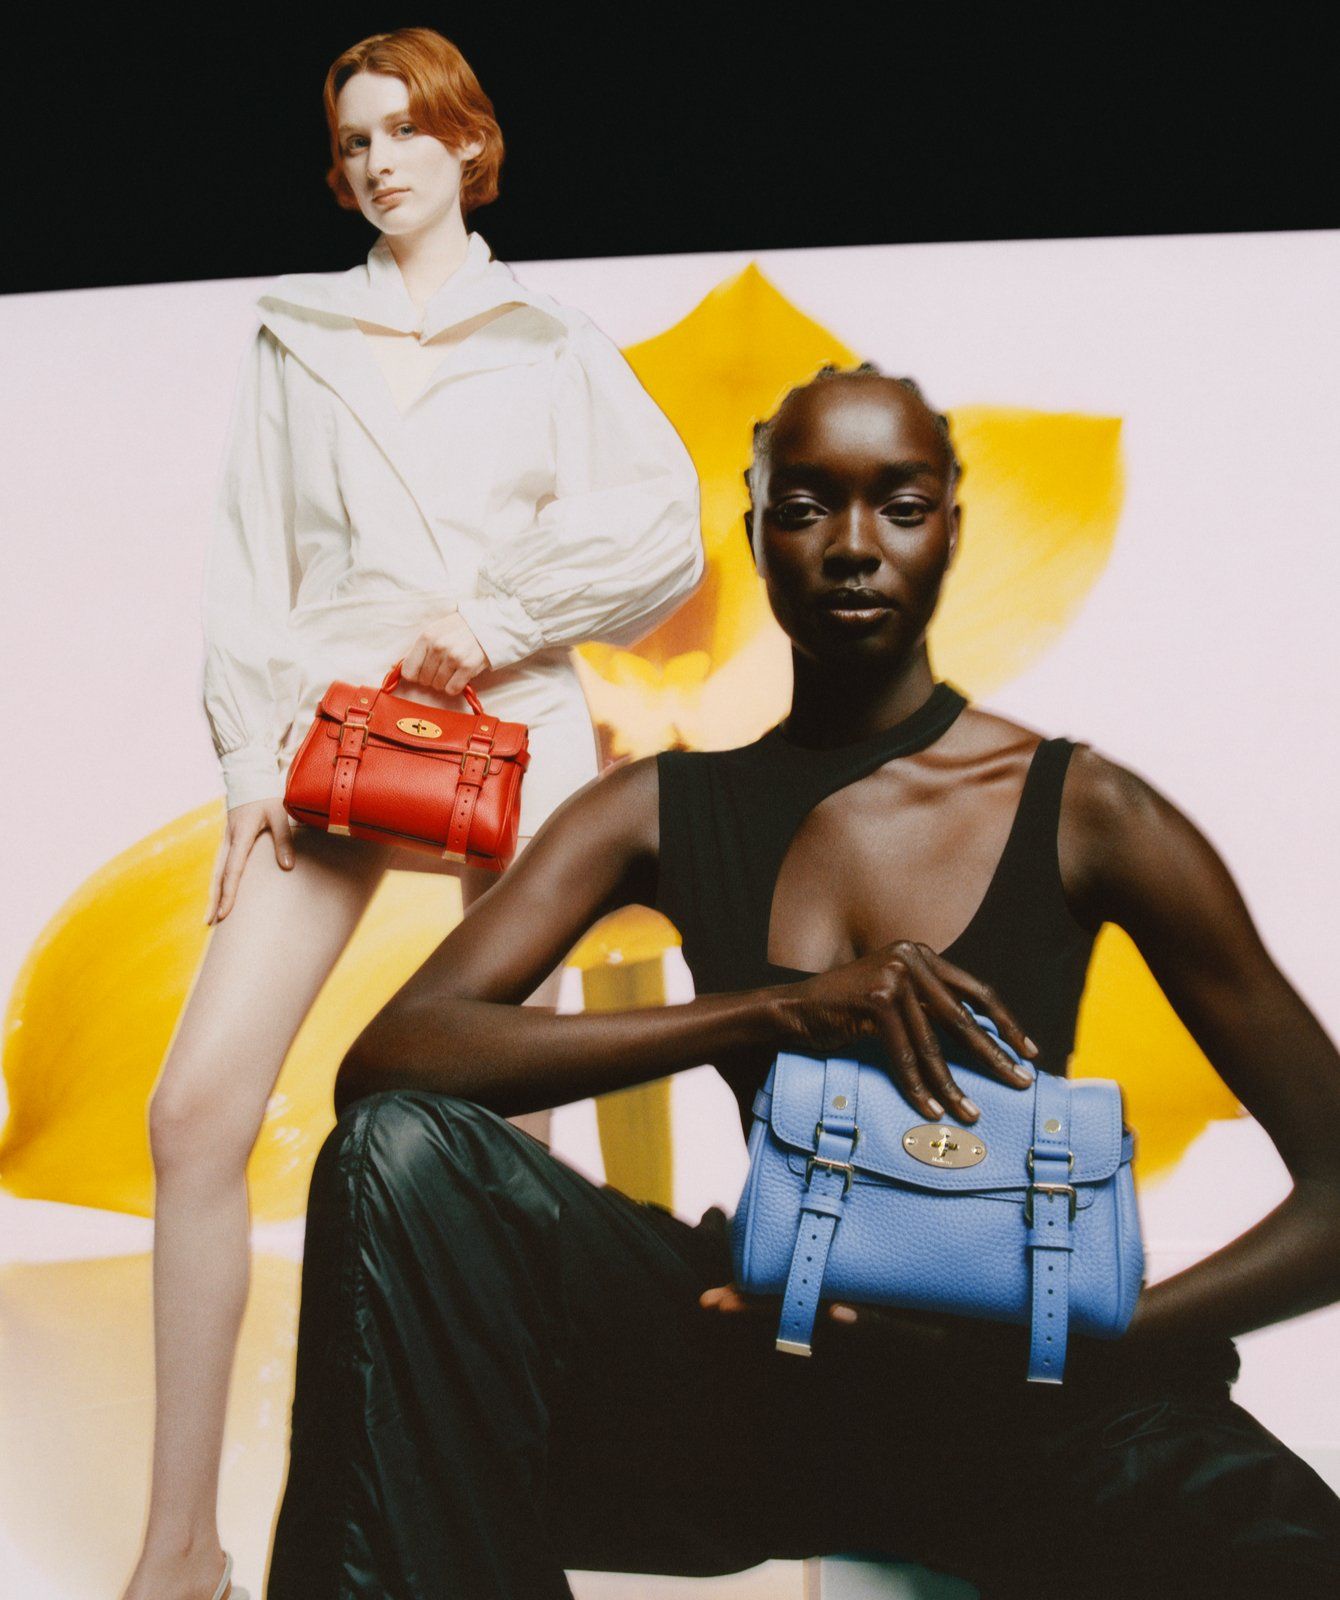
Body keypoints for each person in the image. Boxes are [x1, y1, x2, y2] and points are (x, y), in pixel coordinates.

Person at [266, 364, 1340, 1599]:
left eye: (898, 504)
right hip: (766, 1383)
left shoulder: (1086, 812)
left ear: (952, 530)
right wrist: (781, 1008)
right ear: (754, 530)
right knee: (400, 1154)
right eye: (806, 505)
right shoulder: (654, 810)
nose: (849, 546)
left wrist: (1062, 1345)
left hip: (1031, 1405)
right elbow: (391, 1065)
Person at [123, 27, 703, 1600]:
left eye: (404, 130)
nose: (378, 159)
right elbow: (251, 570)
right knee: (194, 1113)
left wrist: (500, 617)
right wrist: (252, 772)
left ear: (466, 147)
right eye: (354, 137)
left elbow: (665, 531)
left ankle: (516, 1511)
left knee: (501, 1141)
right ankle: (181, 1546)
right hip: (333, 738)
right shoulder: (295, 336)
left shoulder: (552, 342)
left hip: (505, 734)